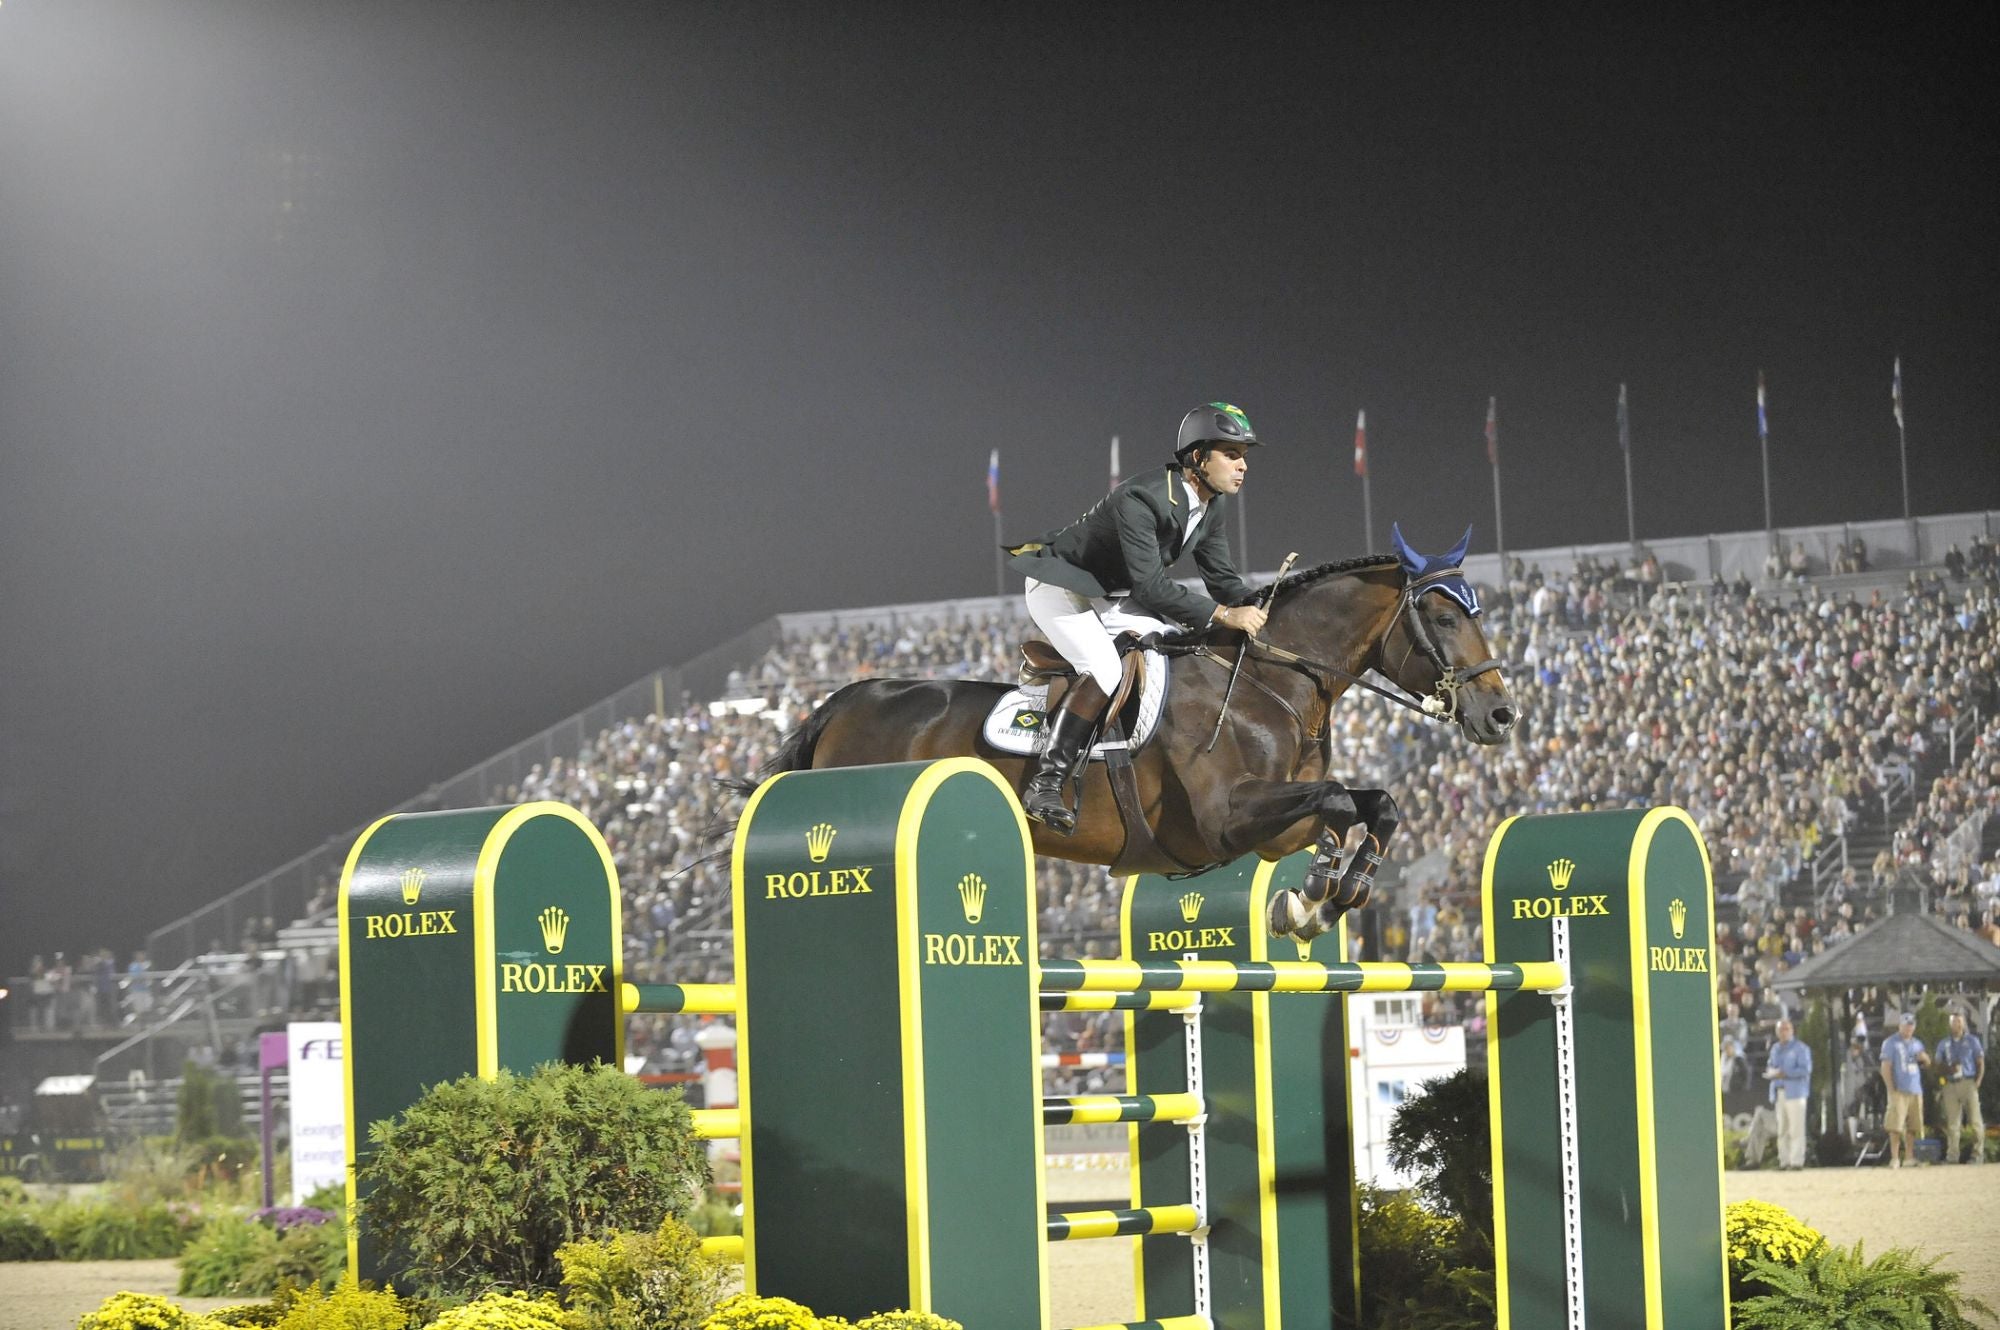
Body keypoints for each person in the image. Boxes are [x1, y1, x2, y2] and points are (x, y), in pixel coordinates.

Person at [1005, 401, 1265, 832]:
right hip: (1061, 585)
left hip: (1111, 592)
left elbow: (1223, 581)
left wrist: (1264, 604)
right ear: (1199, 458)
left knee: (1177, 646)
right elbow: (1151, 587)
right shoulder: (1141, 497)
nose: (1242, 467)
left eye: (1244, 457)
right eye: (1232, 455)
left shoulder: (1211, 504)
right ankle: (1046, 781)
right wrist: (1223, 614)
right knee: (1104, 668)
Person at [1880, 1012, 1931, 1168]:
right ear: (1900, 1025)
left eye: (1911, 1025)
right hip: (1899, 1089)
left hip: (1915, 1088)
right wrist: (1891, 1088)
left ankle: (1909, 1157)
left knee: (1913, 1125)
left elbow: (1927, 1063)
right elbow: (1885, 1067)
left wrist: (1925, 1058)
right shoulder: (1890, 1043)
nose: (1908, 1028)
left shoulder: (1917, 1043)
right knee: (1896, 1125)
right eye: (1906, 1025)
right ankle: (1895, 1157)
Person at [1936, 1011, 1986, 1164]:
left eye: (1958, 1021)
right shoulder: (1944, 1043)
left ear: (1963, 1023)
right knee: (1952, 1123)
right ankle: (1952, 1156)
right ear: (1950, 1024)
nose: (1956, 1024)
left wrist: (1978, 1081)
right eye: (1953, 1022)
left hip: (1968, 1082)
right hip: (1950, 1084)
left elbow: (1980, 1062)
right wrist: (1947, 1069)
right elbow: (1937, 1063)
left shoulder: (1972, 1041)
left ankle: (1978, 1154)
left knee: (1975, 1120)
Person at [1764, 1017, 1812, 1169]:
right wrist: (1772, 1073)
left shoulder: (1801, 1048)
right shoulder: (1775, 1048)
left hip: (1796, 1093)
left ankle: (1797, 1161)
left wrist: (1785, 1073)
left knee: (1796, 1129)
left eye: (1786, 1029)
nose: (1783, 1032)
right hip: (1779, 1092)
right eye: (1780, 1029)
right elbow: (1771, 1066)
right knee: (1782, 1129)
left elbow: (1805, 1070)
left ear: (1792, 1031)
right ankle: (1784, 1161)